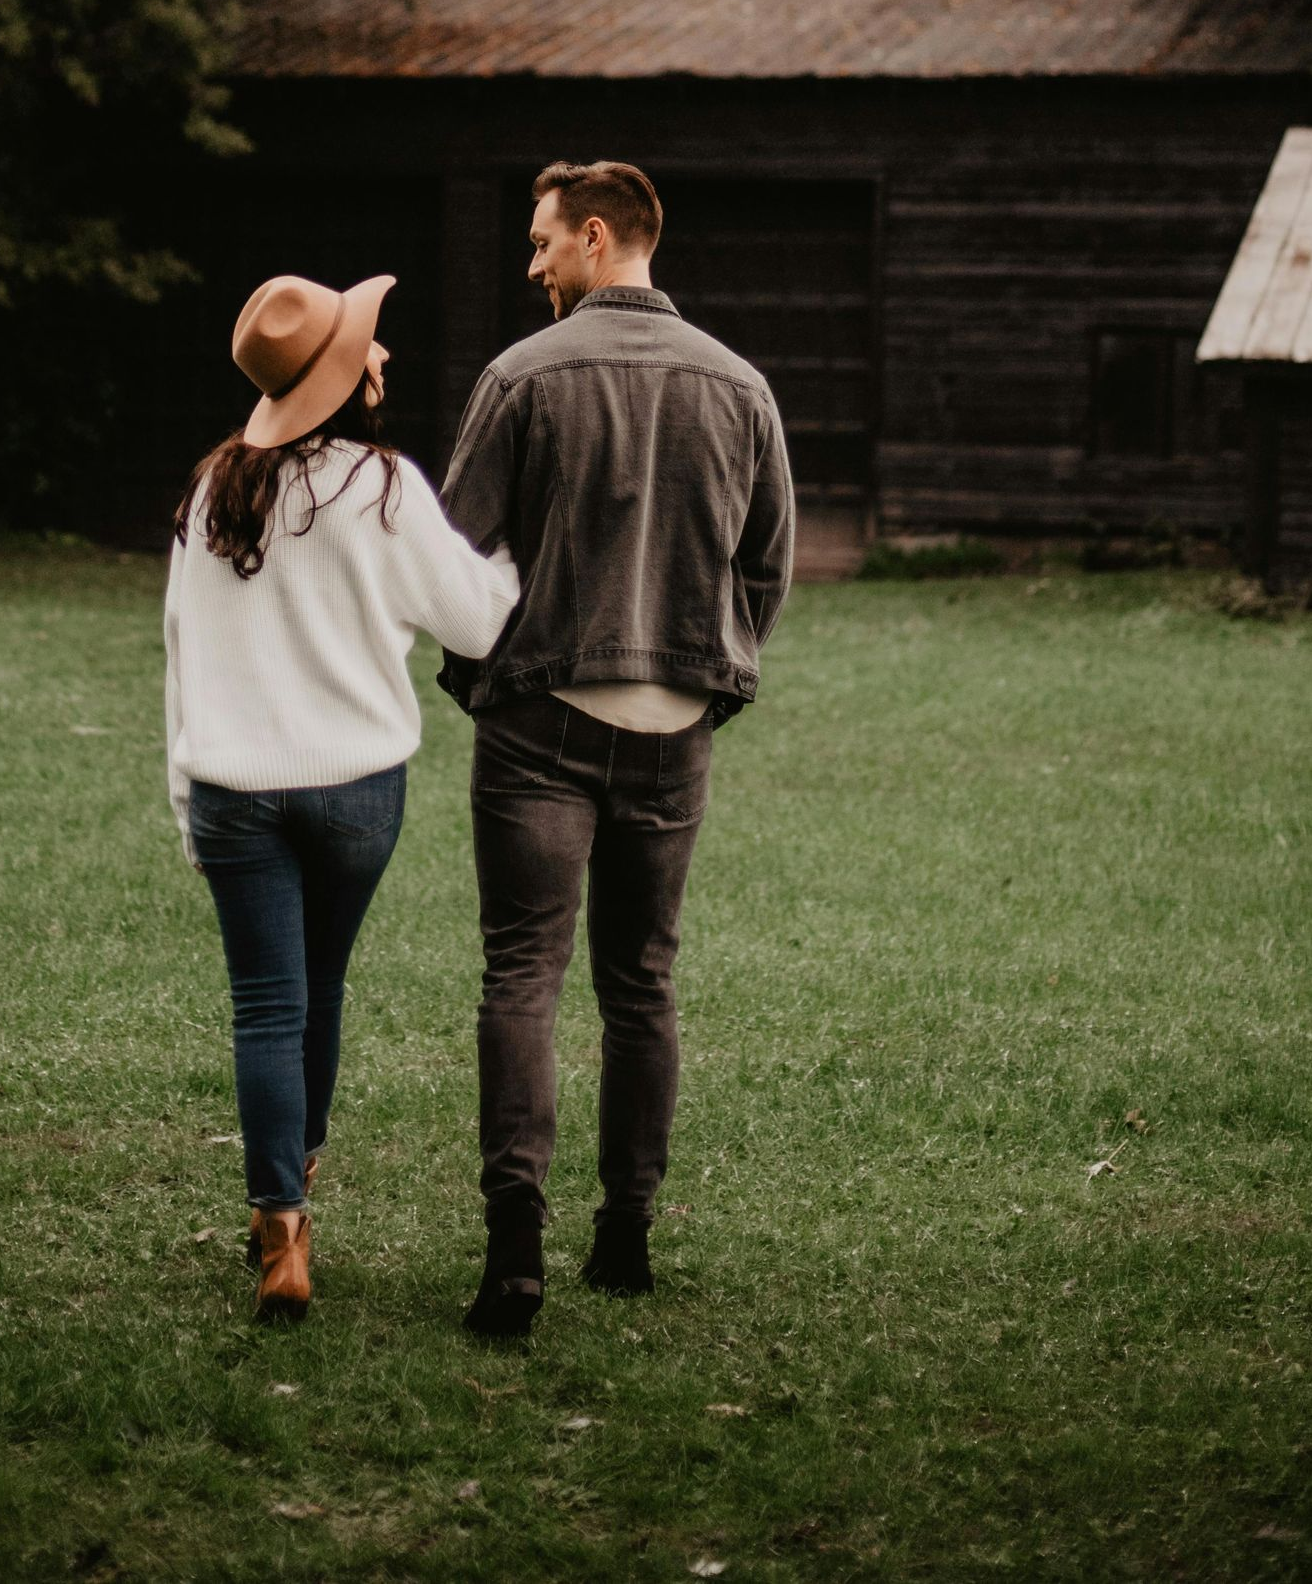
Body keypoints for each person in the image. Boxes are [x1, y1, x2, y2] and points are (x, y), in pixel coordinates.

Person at [437, 161, 796, 1337]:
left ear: (599, 238)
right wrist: (705, 673)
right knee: (641, 984)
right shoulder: (742, 387)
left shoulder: (520, 377)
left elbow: (452, 560)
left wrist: (483, 675)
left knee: (521, 977)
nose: (533, 263)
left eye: (543, 243)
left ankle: (514, 1255)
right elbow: (769, 568)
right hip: (673, 732)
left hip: (539, 723)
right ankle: (627, 1238)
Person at [166, 273, 519, 1323]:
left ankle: (282, 1231)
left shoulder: (212, 490)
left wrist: (183, 797)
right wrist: (514, 550)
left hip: (231, 789)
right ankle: (296, 1178)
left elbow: (180, 657)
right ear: (339, 378)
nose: (384, 358)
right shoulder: (386, 487)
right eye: (369, 348)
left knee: (265, 1005)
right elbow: (480, 623)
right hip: (357, 790)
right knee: (318, 992)